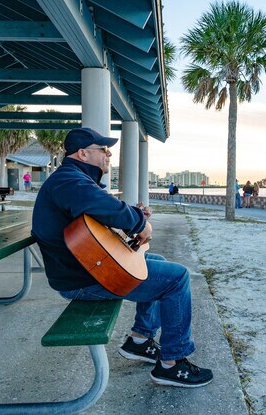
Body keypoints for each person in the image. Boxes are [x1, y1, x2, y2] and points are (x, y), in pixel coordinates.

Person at [32, 128, 213, 388]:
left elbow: (96, 220)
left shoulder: (76, 180)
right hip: (83, 279)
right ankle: (172, 363)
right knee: (177, 278)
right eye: (103, 150)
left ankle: (140, 340)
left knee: (157, 261)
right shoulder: (69, 180)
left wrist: (131, 217)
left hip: (87, 268)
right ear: (83, 154)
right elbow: (103, 207)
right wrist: (139, 223)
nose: (108, 154)